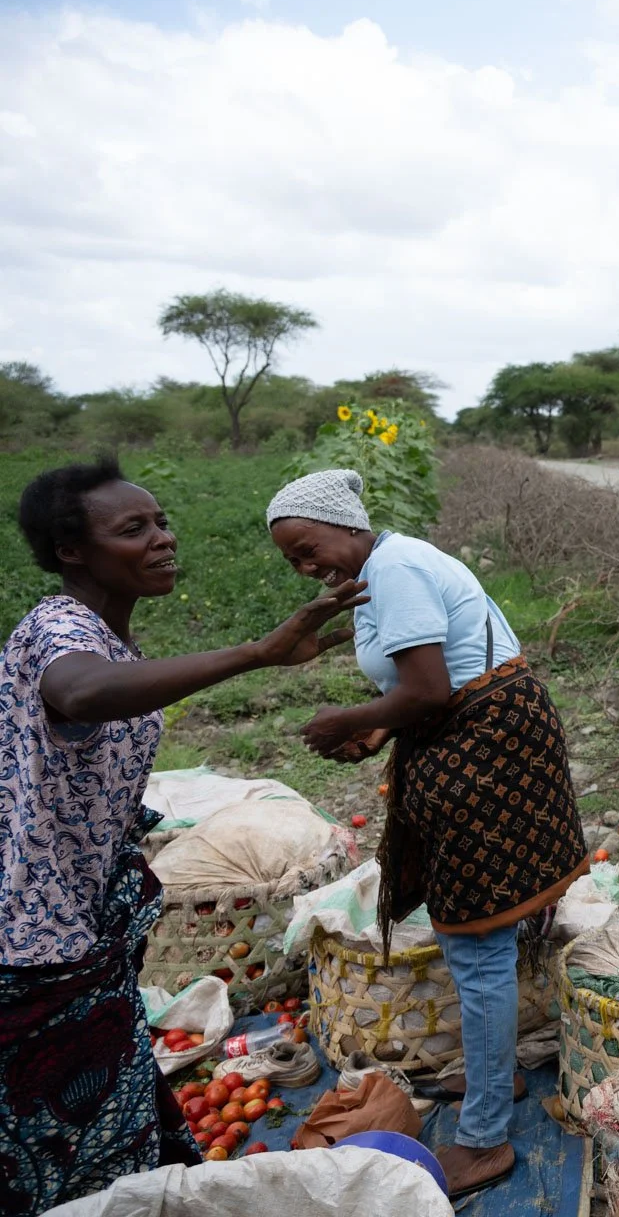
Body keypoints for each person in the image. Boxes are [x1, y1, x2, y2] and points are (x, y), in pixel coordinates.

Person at [1, 457, 366, 1214]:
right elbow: (79, 693)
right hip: (31, 940)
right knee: (50, 1144)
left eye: (161, 521)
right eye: (134, 529)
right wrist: (257, 653)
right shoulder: (58, 631)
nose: (163, 539)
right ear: (73, 550)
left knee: (112, 1121)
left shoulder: (109, 639)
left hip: (80, 921)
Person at [265, 468, 587, 1199]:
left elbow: (431, 689)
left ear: (346, 525)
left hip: (488, 747)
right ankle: (494, 1074)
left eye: (309, 549)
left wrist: (346, 720)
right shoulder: (380, 572)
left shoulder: (399, 567)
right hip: (475, 737)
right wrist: (379, 727)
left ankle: (483, 1140)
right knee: (473, 934)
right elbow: (424, 681)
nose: (308, 569)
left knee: (477, 938)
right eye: (294, 562)